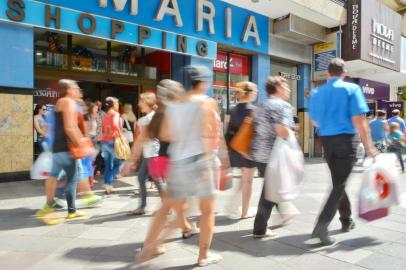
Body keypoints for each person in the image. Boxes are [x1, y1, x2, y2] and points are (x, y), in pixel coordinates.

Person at [137, 66, 226, 266]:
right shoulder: (206, 102)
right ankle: (203, 255)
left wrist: (183, 135)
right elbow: (208, 134)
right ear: (203, 82)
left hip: (177, 160)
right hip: (199, 159)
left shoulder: (175, 106)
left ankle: (151, 245)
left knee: (169, 205)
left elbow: (166, 135)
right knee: (207, 210)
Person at [309, 58, 378, 245]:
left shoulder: (317, 92)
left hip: (327, 142)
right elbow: (359, 121)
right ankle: (321, 226)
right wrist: (370, 146)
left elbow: (314, 122)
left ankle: (346, 220)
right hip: (347, 141)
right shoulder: (352, 89)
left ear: (327, 74)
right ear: (344, 73)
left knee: (339, 182)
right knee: (339, 184)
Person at [35, 79, 87, 224]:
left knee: (53, 176)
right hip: (67, 148)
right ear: (69, 89)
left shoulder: (59, 102)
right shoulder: (69, 102)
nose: (78, 91)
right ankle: (72, 211)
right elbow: (70, 127)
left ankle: (48, 205)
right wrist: (81, 144)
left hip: (56, 148)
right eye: (76, 88)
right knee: (72, 178)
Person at [250, 76, 296, 239]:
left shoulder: (262, 104)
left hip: (260, 153)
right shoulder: (282, 106)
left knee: (272, 187)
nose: (289, 90)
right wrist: (292, 133)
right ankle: (260, 228)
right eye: (286, 86)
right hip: (274, 155)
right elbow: (281, 131)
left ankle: (285, 211)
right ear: (278, 88)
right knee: (269, 192)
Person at [225, 82, 257, 219]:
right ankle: (244, 212)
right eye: (255, 91)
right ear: (249, 93)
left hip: (235, 148)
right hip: (248, 150)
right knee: (248, 181)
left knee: (244, 179)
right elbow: (257, 132)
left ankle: (234, 205)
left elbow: (227, 131)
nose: (256, 94)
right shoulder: (254, 110)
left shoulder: (231, 109)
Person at [127, 93, 159, 215]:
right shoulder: (148, 118)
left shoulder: (148, 119)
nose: (138, 104)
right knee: (142, 178)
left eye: (140, 102)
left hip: (153, 154)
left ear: (147, 103)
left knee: (157, 181)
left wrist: (133, 158)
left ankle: (167, 207)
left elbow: (145, 138)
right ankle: (142, 207)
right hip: (149, 154)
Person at [101, 97, 122, 194]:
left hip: (104, 141)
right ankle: (108, 183)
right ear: (113, 105)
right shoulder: (116, 114)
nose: (118, 105)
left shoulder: (104, 116)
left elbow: (103, 130)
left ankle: (107, 185)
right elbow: (114, 124)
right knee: (119, 162)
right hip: (113, 141)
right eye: (117, 103)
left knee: (108, 165)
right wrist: (120, 133)